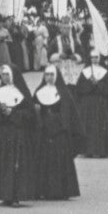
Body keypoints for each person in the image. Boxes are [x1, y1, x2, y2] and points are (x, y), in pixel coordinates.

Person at [0, 64, 39, 205]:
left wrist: (13, 113)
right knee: (3, 163)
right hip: (3, 134)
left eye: (7, 74)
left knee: (17, 164)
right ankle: (4, 195)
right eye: (3, 75)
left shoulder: (23, 93)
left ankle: (16, 195)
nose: (5, 77)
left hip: (18, 133)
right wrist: (0, 110)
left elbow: (30, 115)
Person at [29, 65, 82, 201]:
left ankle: (60, 191)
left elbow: (67, 115)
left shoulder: (63, 93)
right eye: (47, 75)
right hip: (43, 132)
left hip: (58, 133)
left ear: (56, 76)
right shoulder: (38, 92)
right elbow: (33, 112)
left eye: (52, 75)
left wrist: (52, 121)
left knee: (58, 161)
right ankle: (41, 190)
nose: (49, 77)